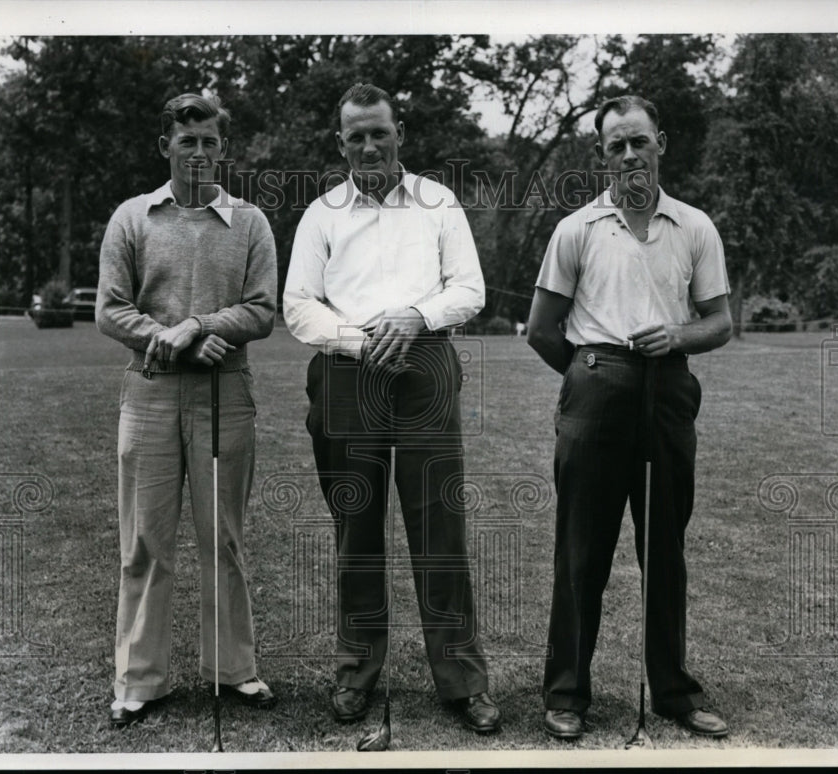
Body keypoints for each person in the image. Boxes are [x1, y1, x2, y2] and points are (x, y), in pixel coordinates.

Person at [283, 83, 500, 734]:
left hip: (426, 366)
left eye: (380, 132)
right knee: (357, 531)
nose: (369, 145)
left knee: (440, 532)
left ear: (398, 131)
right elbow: (298, 305)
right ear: (340, 142)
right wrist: (358, 339)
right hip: (347, 375)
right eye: (356, 136)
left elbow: (469, 288)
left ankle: (462, 680)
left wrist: (414, 316)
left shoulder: (438, 202)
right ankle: (355, 673)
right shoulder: (322, 213)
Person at [527, 95, 732, 740]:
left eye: (638, 142)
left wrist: (675, 338)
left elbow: (721, 322)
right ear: (601, 155)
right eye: (615, 145)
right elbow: (540, 329)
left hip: (668, 391)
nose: (629, 155)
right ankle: (566, 693)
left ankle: (672, 691)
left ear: (661, 144)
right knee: (581, 551)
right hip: (594, 390)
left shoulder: (694, 225)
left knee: (664, 549)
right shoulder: (577, 229)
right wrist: (593, 375)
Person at [96, 93, 278, 727]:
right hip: (149, 391)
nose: (198, 152)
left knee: (223, 538)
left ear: (222, 148)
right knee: (145, 542)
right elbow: (110, 309)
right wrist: (168, 340)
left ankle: (234, 671)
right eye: (186, 140)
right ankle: (139, 681)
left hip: (227, 395)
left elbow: (261, 309)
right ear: (165, 146)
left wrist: (198, 326)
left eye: (208, 141)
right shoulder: (133, 217)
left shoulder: (250, 222)